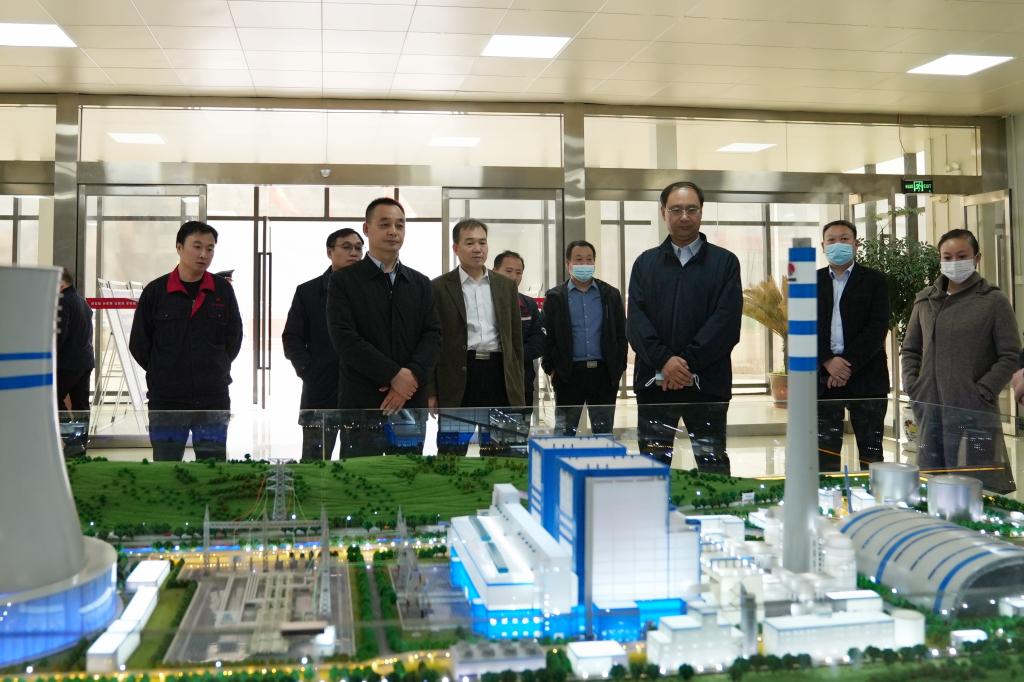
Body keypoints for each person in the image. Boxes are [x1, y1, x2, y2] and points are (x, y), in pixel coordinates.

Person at [627, 181, 742, 474]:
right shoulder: (645, 264)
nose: (684, 217)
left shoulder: (725, 263)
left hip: (707, 385)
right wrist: (665, 361)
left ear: (701, 212)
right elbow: (637, 322)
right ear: (663, 212)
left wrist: (685, 364)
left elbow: (726, 322)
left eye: (692, 209)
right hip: (656, 385)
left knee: (712, 466)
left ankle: (717, 506)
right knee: (652, 467)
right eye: (676, 210)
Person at [901, 228, 1020, 492]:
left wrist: (984, 390)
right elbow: (910, 349)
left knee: (974, 484)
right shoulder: (926, 299)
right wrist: (913, 384)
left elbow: (1010, 354)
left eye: (962, 256)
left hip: (973, 409)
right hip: (930, 406)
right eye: (947, 257)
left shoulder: (993, 301)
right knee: (932, 482)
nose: (954, 262)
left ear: (977, 258)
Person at [326, 197, 441, 457]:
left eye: (400, 225)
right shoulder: (344, 281)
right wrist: (393, 375)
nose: (393, 231)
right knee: (361, 476)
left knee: (407, 475)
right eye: (385, 224)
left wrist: (410, 378)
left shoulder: (420, 283)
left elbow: (433, 335)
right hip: (363, 402)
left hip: (411, 401)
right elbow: (345, 338)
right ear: (367, 229)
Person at [129, 221, 243, 461]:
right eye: (197, 246)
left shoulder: (222, 291)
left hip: (212, 397)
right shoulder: (156, 291)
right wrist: (165, 370)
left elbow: (234, 338)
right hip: (167, 399)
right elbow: (139, 343)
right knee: (166, 463)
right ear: (179, 247)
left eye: (210, 249)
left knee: (213, 465)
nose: (204, 255)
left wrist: (216, 365)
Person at [428, 220, 524, 455]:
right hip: (459, 377)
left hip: (498, 374)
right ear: (456, 248)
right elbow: (431, 342)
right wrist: (431, 391)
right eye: (469, 243)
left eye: (482, 242)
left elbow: (515, 341)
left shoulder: (505, 286)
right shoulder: (438, 287)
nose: (477, 249)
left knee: (501, 447)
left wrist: (517, 385)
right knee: (452, 450)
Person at [816, 219, 891, 472]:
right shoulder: (808, 282)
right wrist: (828, 361)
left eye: (844, 239)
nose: (838, 244)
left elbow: (877, 328)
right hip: (824, 379)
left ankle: (873, 496)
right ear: (823, 246)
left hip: (867, 376)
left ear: (856, 244)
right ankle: (827, 496)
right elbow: (801, 326)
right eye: (832, 240)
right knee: (825, 453)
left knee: (871, 452)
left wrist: (845, 365)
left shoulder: (876, 281)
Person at [283, 228, 363, 461]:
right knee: (315, 462)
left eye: (358, 248)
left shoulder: (371, 291)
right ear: (330, 252)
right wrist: (308, 370)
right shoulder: (308, 292)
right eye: (346, 247)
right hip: (320, 388)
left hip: (361, 391)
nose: (354, 253)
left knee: (357, 463)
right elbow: (292, 337)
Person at [541, 240, 627, 436]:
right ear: (568, 264)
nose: (584, 264)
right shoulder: (555, 297)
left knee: (604, 433)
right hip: (568, 374)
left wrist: (618, 366)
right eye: (579, 259)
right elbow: (547, 337)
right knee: (564, 433)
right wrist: (551, 368)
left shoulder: (610, 294)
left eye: (589, 259)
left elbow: (621, 334)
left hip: (603, 374)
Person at [493, 250, 545, 414]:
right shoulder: (484, 302)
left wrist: (512, 355)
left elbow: (539, 341)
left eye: (518, 272)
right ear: (494, 271)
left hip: (522, 381)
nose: (514, 277)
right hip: (490, 380)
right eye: (508, 271)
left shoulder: (528, 305)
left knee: (520, 428)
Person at [56, 267, 95, 456]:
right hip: (85, 361)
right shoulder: (82, 302)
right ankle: (80, 446)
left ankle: (72, 442)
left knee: (54, 401)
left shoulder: (62, 301)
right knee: (81, 405)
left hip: (68, 363)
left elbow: (59, 335)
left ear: (61, 282)